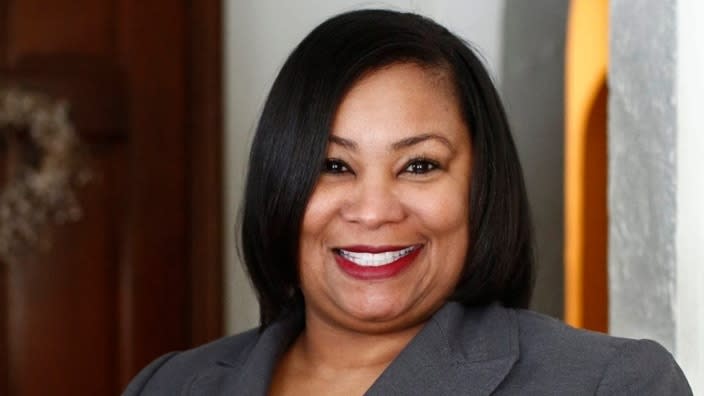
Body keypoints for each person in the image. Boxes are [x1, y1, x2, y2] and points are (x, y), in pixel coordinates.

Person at [123, 9, 691, 395]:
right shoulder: (169, 385)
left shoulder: (608, 384)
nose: (373, 211)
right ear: (282, 184)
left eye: (419, 165)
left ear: (479, 186)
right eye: (334, 166)